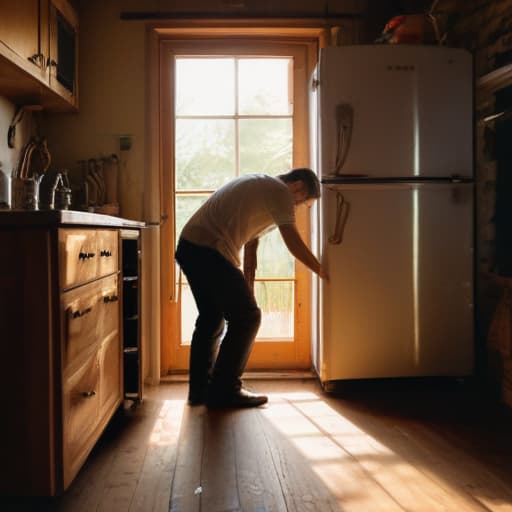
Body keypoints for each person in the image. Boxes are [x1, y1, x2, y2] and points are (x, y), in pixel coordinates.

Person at [175, 168, 328, 408]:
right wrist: (322, 270)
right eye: (301, 202)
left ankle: (201, 391)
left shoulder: (265, 186)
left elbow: (251, 241)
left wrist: (247, 282)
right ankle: (225, 389)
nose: (296, 207)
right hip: (208, 249)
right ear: (297, 186)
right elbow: (293, 241)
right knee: (247, 318)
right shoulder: (280, 193)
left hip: (190, 247)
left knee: (211, 317)